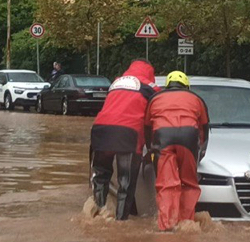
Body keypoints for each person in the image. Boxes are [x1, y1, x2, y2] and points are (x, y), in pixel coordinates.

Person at [90, 59, 157, 220]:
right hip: (127, 133)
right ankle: (121, 222)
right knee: (125, 182)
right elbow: (156, 114)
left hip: (100, 130)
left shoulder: (116, 82)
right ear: (150, 72)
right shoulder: (151, 87)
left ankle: (98, 213)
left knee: (100, 176)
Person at [145, 71, 210, 232]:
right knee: (189, 183)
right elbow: (205, 129)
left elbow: (147, 128)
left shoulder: (155, 98)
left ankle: (166, 227)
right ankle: (186, 224)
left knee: (166, 185)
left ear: (167, 85)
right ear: (186, 86)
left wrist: (151, 149)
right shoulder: (196, 98)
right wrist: (201, 152)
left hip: (163, 138)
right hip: (189, 137)